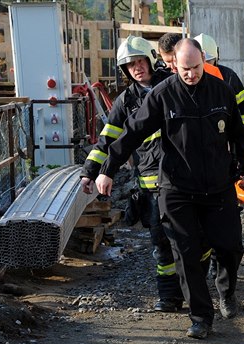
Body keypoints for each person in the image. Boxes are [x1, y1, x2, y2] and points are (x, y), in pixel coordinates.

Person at [94, 38, 244, 339]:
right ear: (173, 65)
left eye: (195, 67)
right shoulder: (163, 94)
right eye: (184, 69)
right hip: (178, 188)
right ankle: (200, 318)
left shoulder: (222, 91)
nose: (190, 74)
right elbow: (131, 132)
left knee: (230, 247)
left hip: (218, 187)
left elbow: (239, 133)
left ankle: (226, 292)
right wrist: (107, 170)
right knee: (186, 253)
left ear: (204, 60)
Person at [79, 36, 194, 313]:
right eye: (130, 65)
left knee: (192, 239)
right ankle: (169, 298)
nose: (136, 68)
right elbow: (109, 140)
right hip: (150, 185)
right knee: (161, 243)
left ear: (150, 59)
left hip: (183, 180)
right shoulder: (125, 101)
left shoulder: (173, 84)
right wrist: (90, 172)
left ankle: (196, 293)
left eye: (140, 61)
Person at [194, 33, 244, 135]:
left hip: (227, 132)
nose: (205, 66)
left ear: (216, 58)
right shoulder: (188, 78)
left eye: (208, 61)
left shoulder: (229, 76)